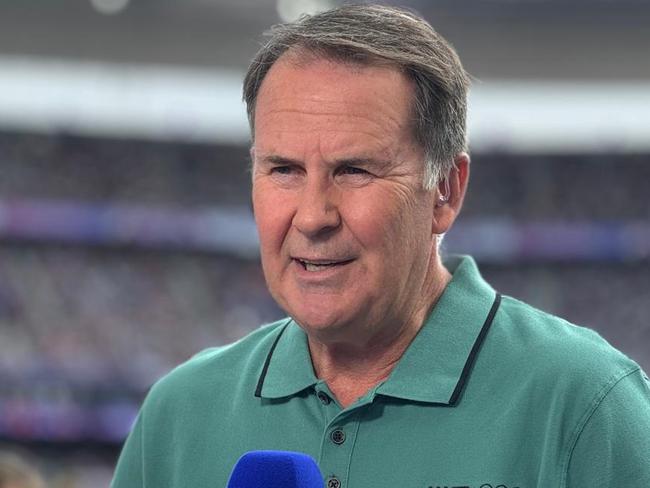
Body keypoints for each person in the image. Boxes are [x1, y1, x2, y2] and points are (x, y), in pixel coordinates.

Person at [112, 5, 650, 487]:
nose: (313, 216)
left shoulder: (588, 407)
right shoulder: (178, 415)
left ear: (446, 190)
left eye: (354, 170)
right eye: (283, 169)